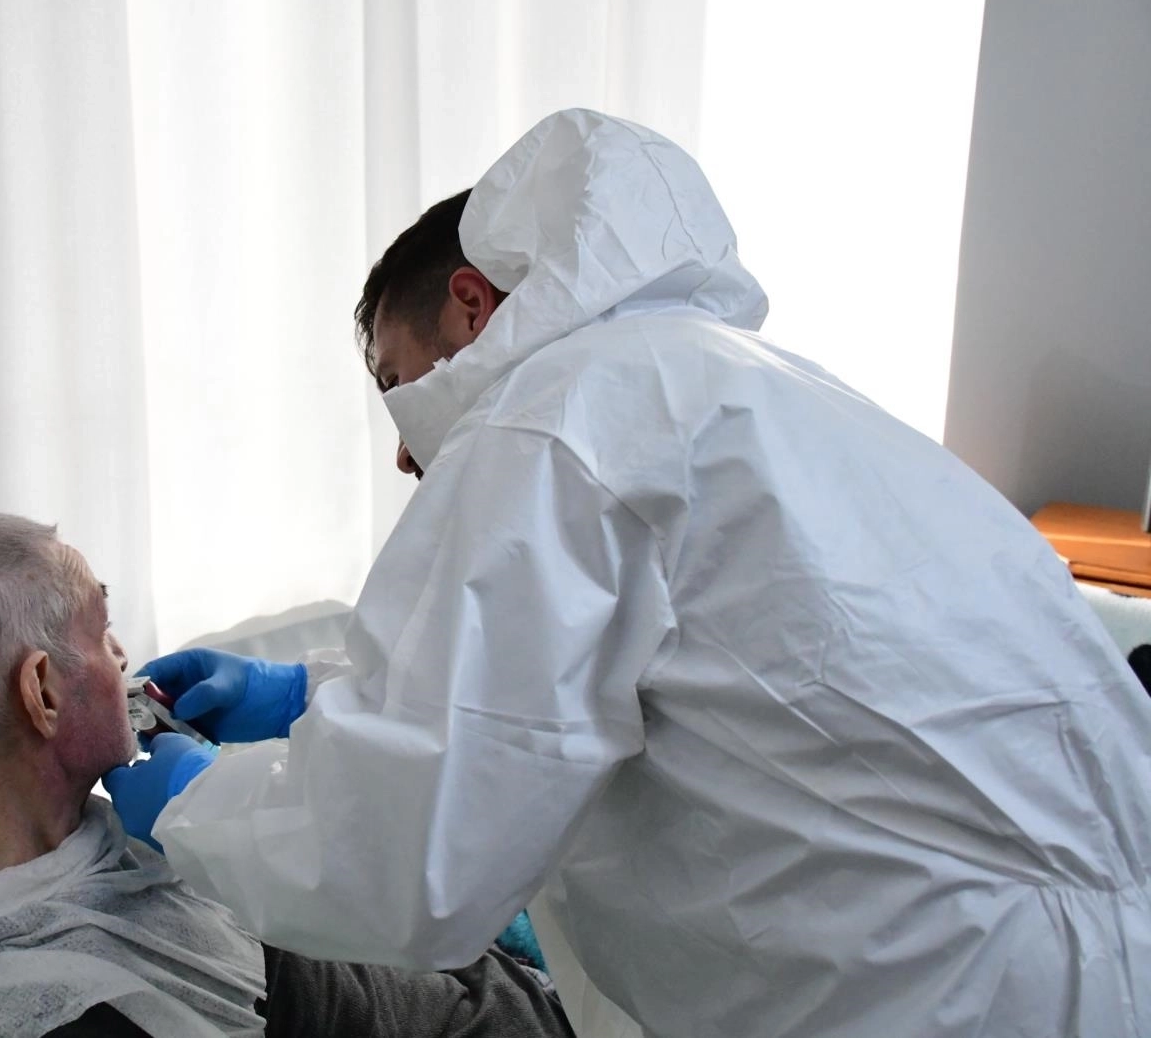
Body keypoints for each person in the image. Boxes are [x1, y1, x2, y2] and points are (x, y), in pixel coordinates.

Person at [103, 109, 1151, 1037]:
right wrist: (304, 694)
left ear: (471, 305)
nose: (403, 454)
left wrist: (198, 807)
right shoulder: (738, 384)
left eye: (394, 381)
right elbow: (633, 666)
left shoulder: (552, 419)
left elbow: (408, 853)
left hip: (921, 982)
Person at [0, 512, 575, 1038]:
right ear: (42, 692)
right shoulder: (89, 996)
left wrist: (294, 697)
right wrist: (218, 809)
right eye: (103, 628)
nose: (123, 656)